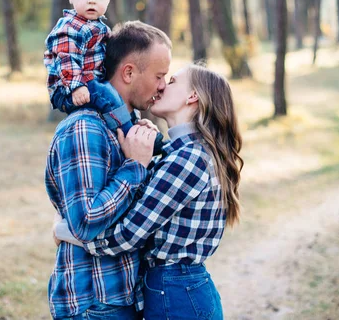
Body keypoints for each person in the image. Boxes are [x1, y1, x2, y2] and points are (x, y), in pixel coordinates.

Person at [54, 64, 243, 320]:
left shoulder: (188, 159)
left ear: (192, 97)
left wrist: (68, 231)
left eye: (173, 80)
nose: (163, 85)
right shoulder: (179, 153)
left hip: (177, 294)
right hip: (176, 290)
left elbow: (128, 235)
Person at [45, 21, 172, 320]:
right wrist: (135, 167)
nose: (164, 85)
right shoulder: (85, 128)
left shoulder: (128, 129)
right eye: (159, 75)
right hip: (94, 305)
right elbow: (86, 221)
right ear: (128, 72)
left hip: (124, 297)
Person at [44, 0, 164, 154]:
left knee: (117, 97)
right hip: (68, 87)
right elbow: (65, 59)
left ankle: (136, 128)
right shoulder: (69, 27)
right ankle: (129, 132)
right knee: (108, 96)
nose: (92, 0)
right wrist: (76, 86)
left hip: (91, 82)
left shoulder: (100, 28)